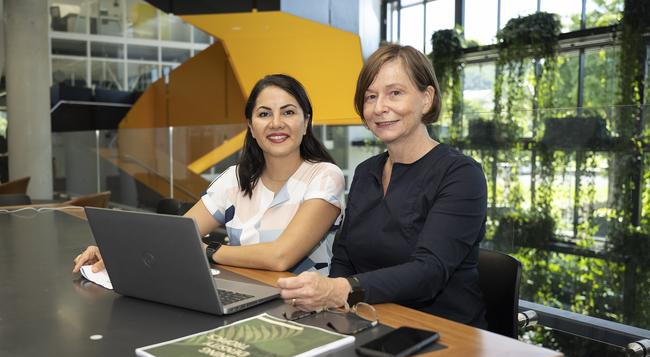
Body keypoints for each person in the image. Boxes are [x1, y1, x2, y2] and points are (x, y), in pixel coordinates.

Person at [277, 45, 488, 328]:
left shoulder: (461, 175)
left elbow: (429, 272)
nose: (379, 108)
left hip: (443, 333)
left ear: (426, 99)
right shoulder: (366, 172)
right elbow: (344, 257)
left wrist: (341, 290)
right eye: (371, 97)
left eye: (395, 93)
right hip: (368, 321)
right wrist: (334, 310)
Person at [73, 74, 345, 275]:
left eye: (288, 112)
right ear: (251, 126)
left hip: (309, 311)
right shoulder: (235, 179)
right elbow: (177, 235)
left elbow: (280, 257)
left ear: (306, 122)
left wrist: (207, 251)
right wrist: (115, 250)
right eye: (264, 114)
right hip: (247, 300)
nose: (276, 123)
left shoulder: (324, 177)